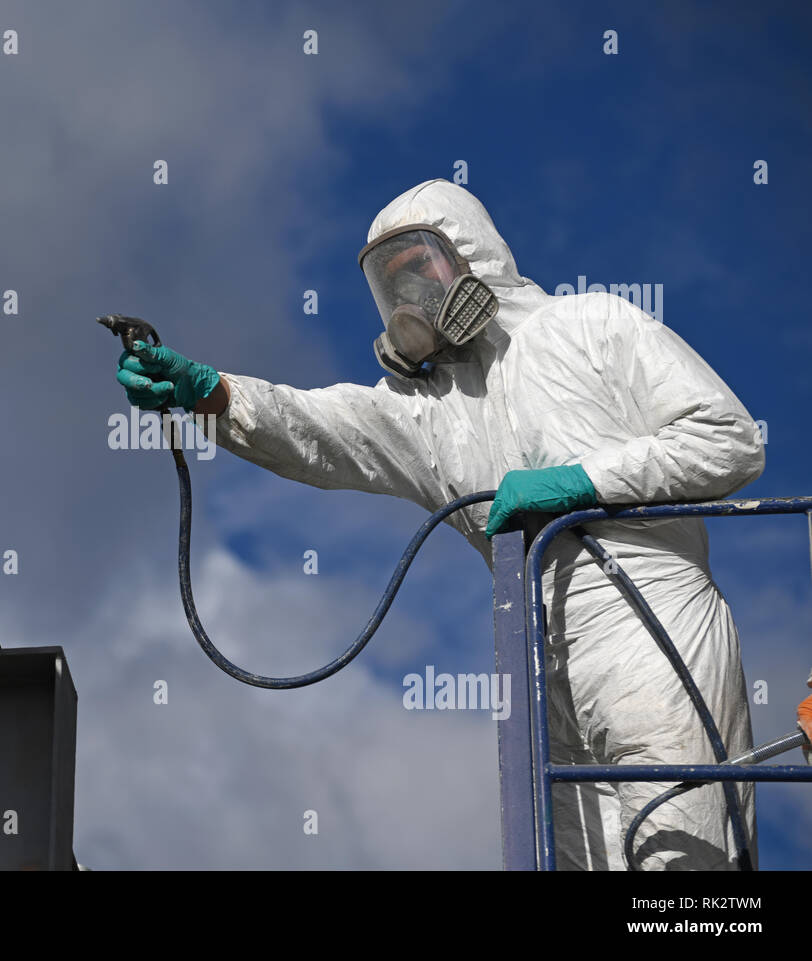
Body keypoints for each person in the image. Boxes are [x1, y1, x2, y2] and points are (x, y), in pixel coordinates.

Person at [114, 179, 768, 870]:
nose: (408, 298)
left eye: (419, 267)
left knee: (680, 853)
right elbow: (316, 423)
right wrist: (207, 391)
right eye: (390, 284)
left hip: (651, 609)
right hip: (539, 649)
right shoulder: (431, 412)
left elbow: (729, 439)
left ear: (469, 252)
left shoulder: (593, 325)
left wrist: (583, 481)